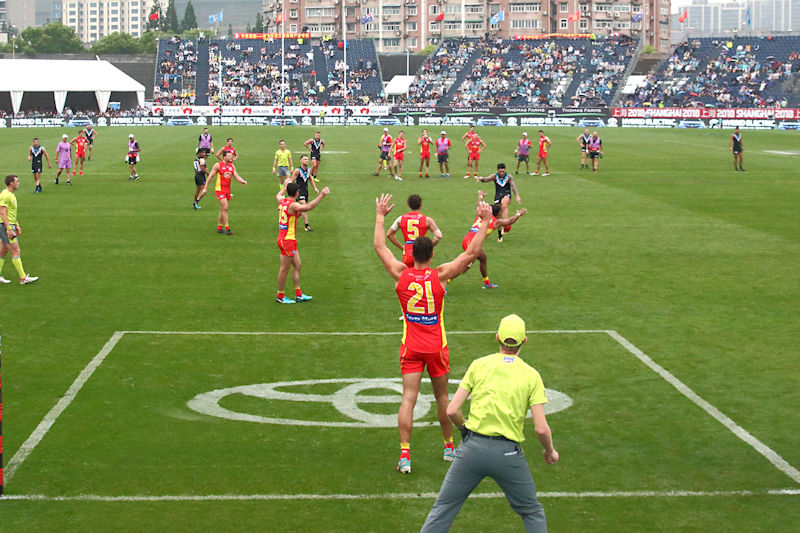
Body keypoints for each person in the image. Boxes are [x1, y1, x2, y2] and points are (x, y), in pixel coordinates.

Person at [374, 193, 493, 474]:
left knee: (408, 399)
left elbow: (380, 247)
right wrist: (485, 222)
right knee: (442, 398)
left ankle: (405, 454)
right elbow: (471, 254)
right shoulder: (440, 275)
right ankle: (449, 446)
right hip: (436, 346)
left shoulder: (401, 274)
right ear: (431, 254)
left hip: (410, 346)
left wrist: (380, 215)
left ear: (412, 255)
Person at [420, 314, 558, 533]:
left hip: (472, 450)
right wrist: (550, 451)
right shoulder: (532, 375)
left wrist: (464, 429)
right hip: (508, 455)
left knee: (443, 509)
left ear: (497, 338)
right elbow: (541, 428)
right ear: (524, 341)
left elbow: (452, 410)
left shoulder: (479, 365)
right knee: (531, 512)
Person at [275, 181, 331, 304]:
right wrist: (321, 195)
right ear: (296, 193)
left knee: (298, 265)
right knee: (284, 269)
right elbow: (307, 207)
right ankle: (280, 296)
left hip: (288, 239)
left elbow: (278, 195)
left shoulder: (282, 200)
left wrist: (285, 187)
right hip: (287, 240)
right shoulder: (292, 205)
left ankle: (298, 295)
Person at [461, 191, 527, 289]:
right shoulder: (496, 222)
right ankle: (445, 281)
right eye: (500, 212)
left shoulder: (481, 215)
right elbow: (510, 221)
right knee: (464, 267)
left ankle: (487, 283)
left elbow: (478, 206)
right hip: (472, 243)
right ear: (498, 213)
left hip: (467, 239)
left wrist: (480, 196)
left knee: (483, 259)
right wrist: (518, 214)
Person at [0, 175, 39, 285]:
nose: (18, 183)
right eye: (17, 181)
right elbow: (2, 212)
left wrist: (16, 224)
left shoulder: (10, 195)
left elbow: (9, 213)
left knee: (2, 251)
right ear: (11, 183)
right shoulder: (5, 195)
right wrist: (9, 228)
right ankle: (23, 278)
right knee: (15, 251)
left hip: (8, 225)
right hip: (5, 226)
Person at [386, 194, 443, 268]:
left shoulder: (401, 219)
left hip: (408, 252)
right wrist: (428, 247)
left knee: (407, 277)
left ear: (409, 205)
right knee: (422, 276)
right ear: (420, 205)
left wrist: (402, 247)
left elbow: (389, 235)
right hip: (422, 253)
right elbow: (439, 235)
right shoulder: (427, 220)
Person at [200, 151, 247, 235]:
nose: (231, 157)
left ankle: (219, 227)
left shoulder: (232, 166)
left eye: (231, 156)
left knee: (222, 209)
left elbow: (236, 176)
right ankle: (227, 228)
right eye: (229, 156)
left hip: (227, 190)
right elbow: (210, 177)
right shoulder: (218, 165)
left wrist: (242, 181)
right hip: (219, 189)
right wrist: (205, 188)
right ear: (224, 157)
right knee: (225, 207)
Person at [475, 163, 522, 242]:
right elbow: (487, 179)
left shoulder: (509, 177)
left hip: (506, 194)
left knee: (504, 204)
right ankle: (500, 234)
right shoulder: (494, 176)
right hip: (497, 196)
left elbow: (513, 186)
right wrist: (481, 178)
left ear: (505, 170)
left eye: (503, 171)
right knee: (498, 216)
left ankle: (506, 224)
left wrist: (517, 195)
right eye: (500, 172)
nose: (502, 173)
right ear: (498, 171)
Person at [287, 155, 320, 231]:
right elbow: (291, 181)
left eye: (307, 159)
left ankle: (289, 222)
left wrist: (315, 188)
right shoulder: (297, 170)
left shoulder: (308, 170)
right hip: (298, 192)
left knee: (300, 211)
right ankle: (306, 226)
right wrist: (288, 190)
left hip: (305, 191)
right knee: (304, 207)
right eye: (305, 159)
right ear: (301, 161)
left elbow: (310, 179)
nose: (307, 160)